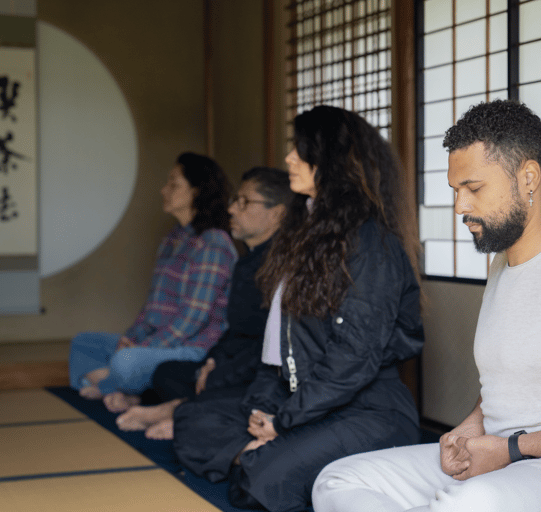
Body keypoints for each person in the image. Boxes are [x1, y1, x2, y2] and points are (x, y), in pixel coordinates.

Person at [312, 99, 541, 512]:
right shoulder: (502, 264)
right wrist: (471, 428)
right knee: (336, 481)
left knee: (465, 504)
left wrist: (513, 449)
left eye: (474, 188)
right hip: (502, 457)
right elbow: (518, 383)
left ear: (528, 177)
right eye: (455, 191)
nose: (460, 207)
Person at [172, 105, 424, 512]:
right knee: (190, 421)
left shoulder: (370, 242)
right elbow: (279, 348)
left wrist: (284, 421)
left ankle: (267, 458)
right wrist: (264, 409)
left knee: (259, 480)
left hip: (366, 411)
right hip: (300, 400)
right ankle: (271, 454)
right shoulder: (304, 237)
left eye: (300, 150)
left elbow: (353, 359)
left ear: (334, 162)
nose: (289, 158)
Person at [115, 167, 294, 440]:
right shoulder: (247, 261)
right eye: (235, 200)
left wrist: (218, 374)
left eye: (244, 202)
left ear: (278, 213)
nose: (232, 209)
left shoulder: (283, 265)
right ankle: (184, 407)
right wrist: (212, 361)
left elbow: (270, 346)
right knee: (168, 373)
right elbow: (234, 331)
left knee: (252, 387)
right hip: (231, 361)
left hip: (260, 369)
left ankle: (182, 413)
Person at [69, 153, 237, 413]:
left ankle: (111, 385)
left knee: (125, 362)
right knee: (83, 343)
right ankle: (117, 388)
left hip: (192, 348)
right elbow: (153, 305)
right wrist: (131, 336)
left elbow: (192, 320)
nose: (164, 190)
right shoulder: (173, 239)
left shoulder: (213, 244)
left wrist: (142, 348)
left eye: (173, 184)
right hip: (154, 342)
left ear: (196, 191)